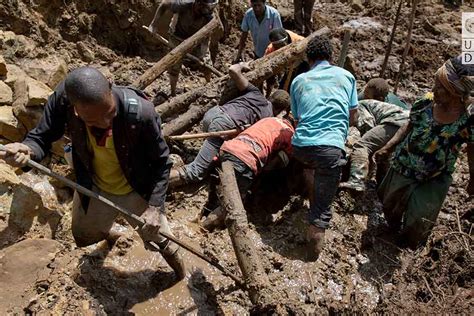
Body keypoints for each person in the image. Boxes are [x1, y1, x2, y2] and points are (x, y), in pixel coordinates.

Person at [0, 67, 186, 279]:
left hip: (136, 187)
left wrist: (154, 207)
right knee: (83, 235)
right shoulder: (64, 101)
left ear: (110, 87)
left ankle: (180, 275)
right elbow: (41, 137)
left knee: (162, 240)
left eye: (110, 113)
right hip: (95, 186)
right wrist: (28, 150)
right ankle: (112, 235)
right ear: (76, 111)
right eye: (94, 121)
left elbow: (162, 162)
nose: (106, 123)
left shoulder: (141, 113)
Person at [374, 55, 474, 248]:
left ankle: (408, 251)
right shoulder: (426, 102)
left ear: (455, 93)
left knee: (419, 221)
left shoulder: (467, 120)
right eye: (435, 84)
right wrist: (389, 147)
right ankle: (390, 234)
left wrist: (473, 178)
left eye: (441, 88)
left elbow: (472, 149)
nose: (434, 90)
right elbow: (408, 125)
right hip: (404, 164)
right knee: (389, 206)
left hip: (434, 176)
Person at [290, 35, 358, 260]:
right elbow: (353, 117)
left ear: (308, 59)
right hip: (329, 149)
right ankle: (312, 256)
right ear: (330, 57)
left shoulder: (299, 81)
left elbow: (298, 121)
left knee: (311, 165)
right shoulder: (347, 76)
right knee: (322, 210)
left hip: (301, 147)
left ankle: (311, 196)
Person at [169, 62, 290, 186]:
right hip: (222, 128)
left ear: (271, 98)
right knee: (196, 172)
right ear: (280, 110)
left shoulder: (256, 93)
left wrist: (243, 65)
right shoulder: (267, 120)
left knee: (215, 153)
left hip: (212, 114)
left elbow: (233, 70)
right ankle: (156, 182)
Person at [202, 115, 295, 231]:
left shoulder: (269, 119)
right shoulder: (290, 135)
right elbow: (275, 164)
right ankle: (202, 228)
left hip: (227, 149)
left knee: (215, 194)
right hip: (245, 159)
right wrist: (261, 172)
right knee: (231, 205)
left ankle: (202, 216)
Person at [148, 0, 218, 96]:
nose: (206, 12)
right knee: (174, 65)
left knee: (206, 64)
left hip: (198, 38)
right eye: (204, 8)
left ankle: (209, 86)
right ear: (198, 3)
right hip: (177, 36)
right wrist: (153, 24)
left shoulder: (208, 15)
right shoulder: (184, 4)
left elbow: (207, 35)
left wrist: (203, 51)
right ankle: (173, 93)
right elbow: (164, 4)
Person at [339, 99, 409, 192]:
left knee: (362, 145)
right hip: (408, 123)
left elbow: (368, 124)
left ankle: (357, 180)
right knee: (384, 156)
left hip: (397, 121)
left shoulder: (359, 106)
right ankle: (379, 187)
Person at [264, 28, 310, 96]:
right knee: (282, 91)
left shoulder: (300, 41)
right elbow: (266, 70)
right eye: (277, 47)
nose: (280, 49)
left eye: (282, 46)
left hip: (302, 63)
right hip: (288, 68)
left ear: (286, 41)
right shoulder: (270, 50)